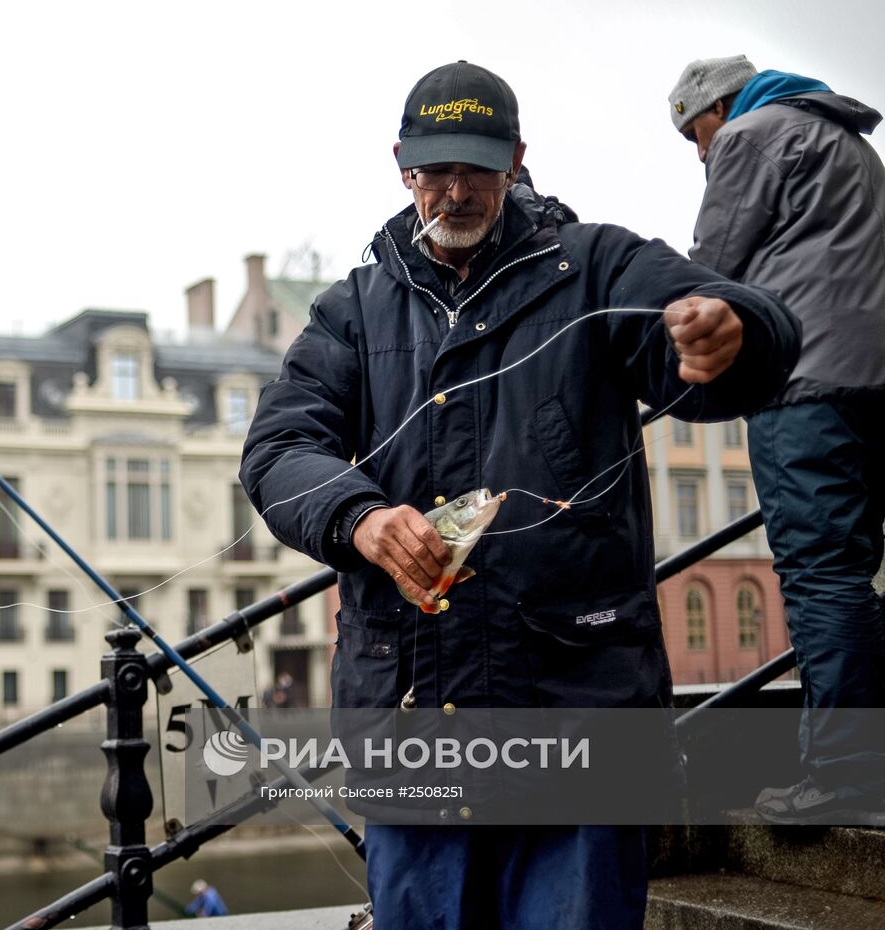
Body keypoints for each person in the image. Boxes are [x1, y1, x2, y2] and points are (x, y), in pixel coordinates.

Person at [240, 60, 800, 929]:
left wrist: (734, 333)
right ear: (402, 166)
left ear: (517, 161)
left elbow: (740, 324)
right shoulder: (350, 309)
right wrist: (361, 519)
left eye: (477, 168)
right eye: (436, 170)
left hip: (580, 715)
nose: (455, 192)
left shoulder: (601, 264)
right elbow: (279, 448)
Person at [669, 56, 885, 823]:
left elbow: (711, 272)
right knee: (856, 577)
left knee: (821, 575)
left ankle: (844, 777)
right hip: (871, 381)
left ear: (718, 108)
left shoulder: (753, 135)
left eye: (695, 133)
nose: (699, 153)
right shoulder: (849, 144)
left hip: (806, 384)